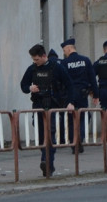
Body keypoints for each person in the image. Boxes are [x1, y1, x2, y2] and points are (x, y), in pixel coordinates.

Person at [20, 43, 74, 177]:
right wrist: (30, 88)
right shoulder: (32, 69)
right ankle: (48, 162)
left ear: (44, 56)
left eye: (37, 59)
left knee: (50, 135)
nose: (35, 62)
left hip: (53, 106)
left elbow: (70, 85)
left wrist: (70, 102)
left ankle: (47, 162)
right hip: (38, 106)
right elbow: (23, 85)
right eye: (33, 60)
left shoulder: (57, 68)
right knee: (40, 137)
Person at [60, 38, 97, 153]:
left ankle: (73, 142)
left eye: (64, 50)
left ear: (69, 48)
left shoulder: (64, 63)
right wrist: (96, 94)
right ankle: (79, 139)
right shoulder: (85, 60)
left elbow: (61, 81)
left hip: (69, 95)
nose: (64, 53)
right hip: (82, 93)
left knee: (71, 119)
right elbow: (92, 78)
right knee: (84, 117)